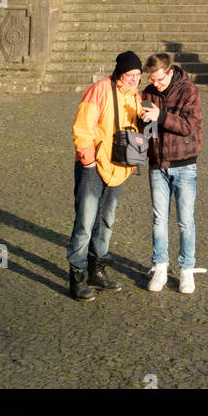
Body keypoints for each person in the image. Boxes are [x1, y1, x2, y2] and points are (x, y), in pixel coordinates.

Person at [67, 50, 157, 301]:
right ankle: (77, 277)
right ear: (120, 73)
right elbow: (82, 128)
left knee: (106, 223)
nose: (134, 79)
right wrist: (87, 159)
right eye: (130, 75)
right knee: (85, 223)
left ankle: (97, 272)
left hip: (118, 168)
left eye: (138, 75)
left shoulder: (134, 96)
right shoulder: (99, 90)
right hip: (93, 166)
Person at [141, 52, 204, 295]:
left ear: (169, 72)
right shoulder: (148, 92)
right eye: (151, 79)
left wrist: (161, 116)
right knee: (158, 220)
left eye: (158, 79)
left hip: (184, 163)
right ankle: (160, 266)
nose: (154, 84)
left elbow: (188, 127)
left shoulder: (189, 90)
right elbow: (147, 128)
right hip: (157, 163)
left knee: (185, 221)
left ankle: (186, 270)